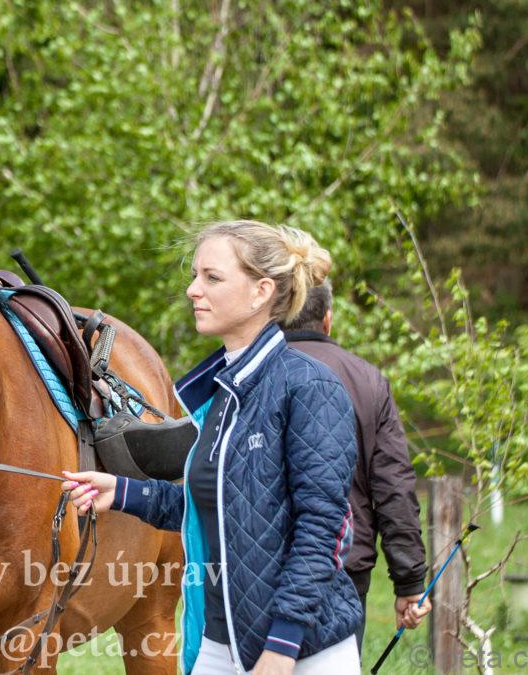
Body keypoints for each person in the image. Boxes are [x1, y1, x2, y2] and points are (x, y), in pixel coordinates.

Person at [63, 220, 362, 675]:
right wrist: (121, 492)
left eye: (212, 277)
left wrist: (283, 647)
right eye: (195, 275)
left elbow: (323, 530)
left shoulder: (310, 386)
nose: (193, 290)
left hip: (303, 651)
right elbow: (217, 507)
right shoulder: (220, 394)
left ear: (261, 292)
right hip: (218, 645)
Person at [282, 280, 430, 652]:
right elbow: (394, 486)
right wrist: (409, 582)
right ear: (327, 319)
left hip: (264, 566)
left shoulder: (253, 375)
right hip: (344, 565)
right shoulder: (368, 380)